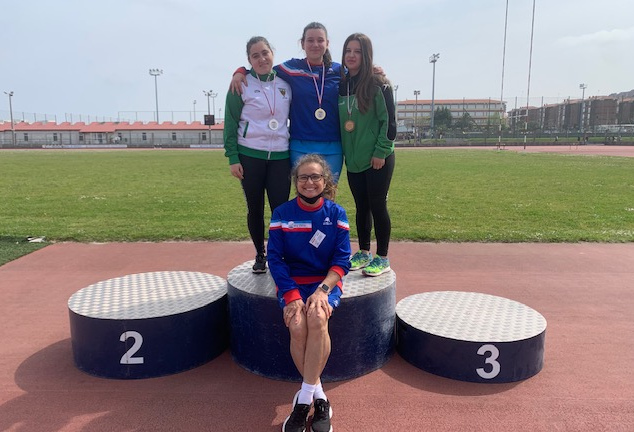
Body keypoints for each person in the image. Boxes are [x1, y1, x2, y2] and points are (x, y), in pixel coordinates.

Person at [267, 154, 351, 432]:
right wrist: (291, 294)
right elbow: (275, 259)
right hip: (292, 283)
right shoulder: (282, 213)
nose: (309, 182)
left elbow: (342, 261)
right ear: (296, 181)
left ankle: (303, 402)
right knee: (297, 325)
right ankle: (319, 395)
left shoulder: (336, 214)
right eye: (303, 177)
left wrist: (323, 290)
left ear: (325, 181)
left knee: (317, 318)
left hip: (324, 283)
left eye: (315, 176)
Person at [231, 22, 344, 183]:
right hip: (300, 146)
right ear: (302, 43)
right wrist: (240, 71)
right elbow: (264, 68)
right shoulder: (291, 68)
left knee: (329, 193)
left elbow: (360, 75)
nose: (315, 44)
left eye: (320, 40)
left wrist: (375, 71)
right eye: (310, 40)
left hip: (333, 147)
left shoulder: (340, 71)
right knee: (305, 191)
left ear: (327, 43)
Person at [224, 36, 292, 273]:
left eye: (265, 53)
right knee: (255, 208)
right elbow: (230, 122)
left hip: (281, 157)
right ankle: (260, 254)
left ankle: (277, 253)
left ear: (272, 53)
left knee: (280, 210)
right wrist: (233, 157)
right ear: (249, 60)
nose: (261, 59)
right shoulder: (241, 84)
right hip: (249, 156)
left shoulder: (286, 83)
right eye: (255, 56)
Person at [338, 33, 396, 277]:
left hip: (377, 158)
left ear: (366, 55)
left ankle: (382, 257)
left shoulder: (379, 83)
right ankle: (363, 252)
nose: (352, 55)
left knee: (377, 205)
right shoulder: (340, 85)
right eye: (348, 50)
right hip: (354, 159)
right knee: (361, 207)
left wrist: (381, 151)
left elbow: (389, 123)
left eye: (358, 51)